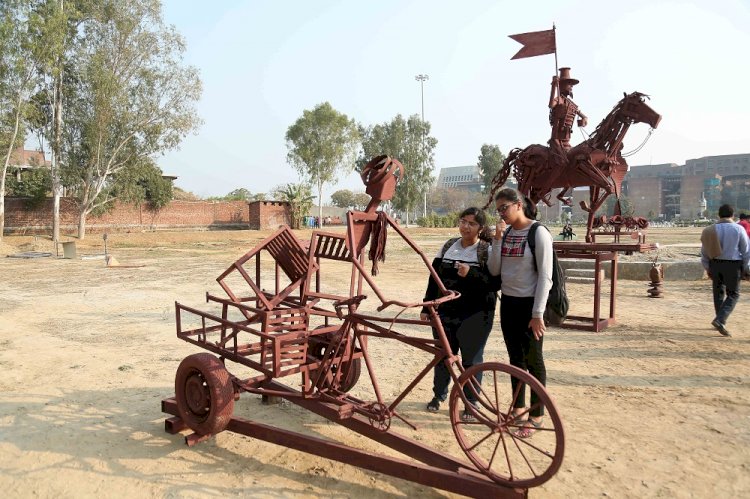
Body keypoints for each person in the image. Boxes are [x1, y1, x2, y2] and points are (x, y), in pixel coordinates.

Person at [421, 207, 498, 421]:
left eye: (471, 223)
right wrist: (426, 307)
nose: (465, 226)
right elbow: (433, 278)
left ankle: (471, 404)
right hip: (445, 312)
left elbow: (496, 283)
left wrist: (471, 273)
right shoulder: (448, 247)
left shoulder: (487, 251)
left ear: (480, 228)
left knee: (471, 360)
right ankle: (439, 395)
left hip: (476, 314)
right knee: (443, 356)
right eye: (463, 221)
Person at [488, 187, 553, 438]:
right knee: (515, 359)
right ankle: (518, 408)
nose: (501, 214)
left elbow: (545, 277)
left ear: (518, 204)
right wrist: (496, 239)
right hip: (509, 304)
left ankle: (536, 415)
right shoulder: (506, 235)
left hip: (530, 306)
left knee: (534, 360)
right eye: (498, 210)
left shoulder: (538, 233)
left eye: (504, 208)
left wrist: (537, 313)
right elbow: (495, 271)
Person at [700, 204, 750, 337]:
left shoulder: (710, 229)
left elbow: (704, 251)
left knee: (718, 293)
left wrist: (707, 267)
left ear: (718, 215)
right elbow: (745, 251)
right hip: (733, 265)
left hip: (715, 264)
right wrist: (746, 268)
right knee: (733, 294)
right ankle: (720, 319)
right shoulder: (738, 229)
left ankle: (719, 320)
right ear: (732, 215)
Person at [548, 67, 588, 168]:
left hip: (567, 141)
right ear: (561, 85)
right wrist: (553, 87)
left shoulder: (571, 104)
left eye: (572, 85)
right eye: (569, 84)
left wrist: (584, 119)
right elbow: (551, 105)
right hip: (557, 139)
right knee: (563, 162)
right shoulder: (559, 100)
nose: (571, 87)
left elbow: (582, 115)